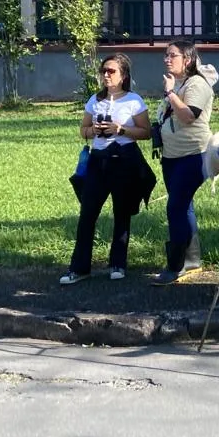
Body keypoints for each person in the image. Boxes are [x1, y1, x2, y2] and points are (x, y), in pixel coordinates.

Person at [60, 54, 153, 285]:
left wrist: (120, 130)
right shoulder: (95, 100)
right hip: (98, 160)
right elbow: (82, 130)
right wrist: (94, 130)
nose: (106, 75)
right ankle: (79, 267)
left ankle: (118, 263)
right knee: (87, 213)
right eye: (104, 71)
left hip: (123, 159)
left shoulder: (133, 100)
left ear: (123, 76)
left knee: (122, 213)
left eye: (111, 71)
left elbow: (146, 132)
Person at [151, 40, 219, 285]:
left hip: (194, 155)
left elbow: (189, 116)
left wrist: (170, 94)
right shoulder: (177, 83)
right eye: (166, 55)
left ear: (187, 60)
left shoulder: (197, 84)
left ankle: (175, 265)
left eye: (173, 56)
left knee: (175, 207)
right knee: (183, 205)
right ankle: (192, 260)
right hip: (171, 156)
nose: (167, 60)